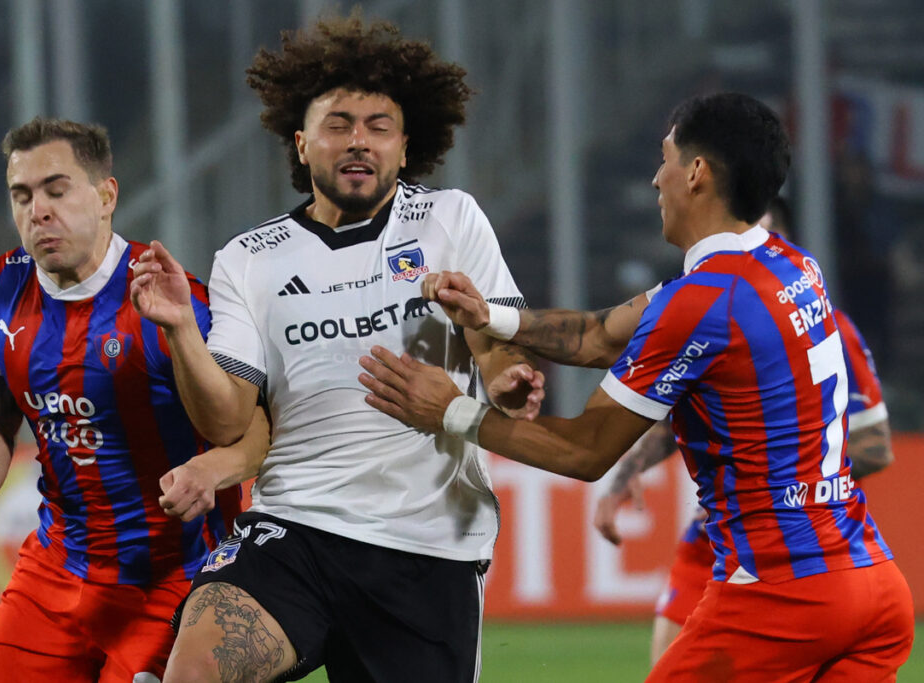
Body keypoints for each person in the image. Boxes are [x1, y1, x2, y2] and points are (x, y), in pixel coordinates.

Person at [359, 92, 914, 681]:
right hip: (872, 586)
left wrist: (451, 411)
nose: (656, 180)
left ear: (696, 174)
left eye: (666, 159)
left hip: (782, 597)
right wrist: (489, 315)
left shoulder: (701, 301)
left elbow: (584, 451)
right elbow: (599, 335)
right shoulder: (791, 265)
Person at [130, 14, 542, 683]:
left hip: (426, 545)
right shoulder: (248, 259)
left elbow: (498, 350)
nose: (358, 140)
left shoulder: (451, 219)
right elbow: (226, 419)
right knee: (195, 671)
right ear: (301, 143)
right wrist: (181, 329)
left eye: (379, 126)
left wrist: (509, 380)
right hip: (295, 529)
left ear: (406, 147)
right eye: (338, 123)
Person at [0, 117, 268, 682]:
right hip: (56, 570)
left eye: (56, 190)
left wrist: (209, 469)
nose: (38, 210)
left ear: (107, 195)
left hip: (173, 579)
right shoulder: (0, 288)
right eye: (22, 195)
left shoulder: (171, 300)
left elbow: (254, 426)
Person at [593, 195, 898, 666]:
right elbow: (684, 406)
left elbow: (876, 448)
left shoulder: (829, 328)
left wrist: (784, 484)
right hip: (714, 539)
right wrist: (625, 472)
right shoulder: (716, 315)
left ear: (779, 242)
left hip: (791, 547)